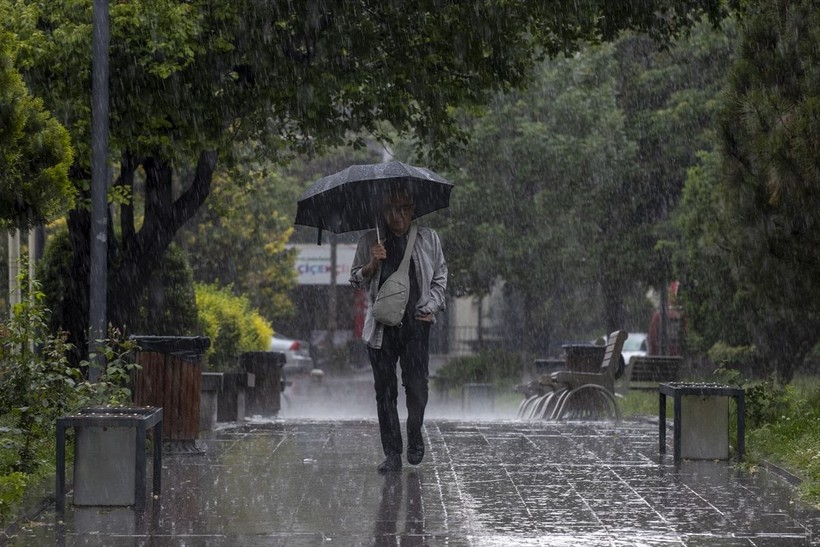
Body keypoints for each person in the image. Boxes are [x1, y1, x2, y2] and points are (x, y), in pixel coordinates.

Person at [349, 187, 448, 473]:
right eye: (391, 209)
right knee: (385, 392)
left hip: (417, 325)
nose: (398, 215)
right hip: (381, 328)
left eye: (404, 208)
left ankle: (414, 430)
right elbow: (355, 281)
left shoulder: (428, 239)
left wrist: (431, 306)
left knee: (417, 387)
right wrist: (371, 264)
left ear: (413, 209)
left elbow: (440, 275)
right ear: (383, 210)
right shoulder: (370, 239)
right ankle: (392, 453)